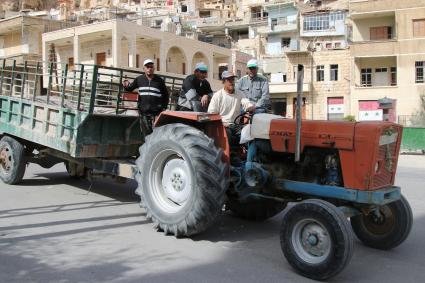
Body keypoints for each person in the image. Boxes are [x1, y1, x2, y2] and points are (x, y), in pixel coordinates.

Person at [123, 59, 169, 140]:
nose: (149, 69)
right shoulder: (139, 79)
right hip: (143, 112)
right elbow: (130, 88)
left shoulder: (160, 81)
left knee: (157, 135)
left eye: (151, 67)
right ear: (144, 68)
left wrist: (164, 107)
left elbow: (165, 95)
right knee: (146, 136)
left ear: (154, 68)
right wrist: (126, 85)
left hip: (156, 113)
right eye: (147, 67)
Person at [208, 70, 255, 142]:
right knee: (227, 134)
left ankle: (249, 153)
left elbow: (246, 101)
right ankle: (227, 153)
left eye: (232, 79)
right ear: (223, 82)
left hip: (236, 125)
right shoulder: (217, 96)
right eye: (229, 80)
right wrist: (224, 124)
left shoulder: (239, 93)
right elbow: (211, 114)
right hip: (223, 125)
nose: (232, 82)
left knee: (250, 133)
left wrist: (250, 106)